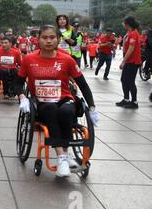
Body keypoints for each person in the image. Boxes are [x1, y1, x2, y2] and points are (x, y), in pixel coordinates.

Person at [14, 25, 99, 178]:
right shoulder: (29, 59)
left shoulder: (67, 59)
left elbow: (83, 85)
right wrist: (22, 97)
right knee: (51, 110)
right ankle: (62, 157)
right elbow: (18, 82)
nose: (48, 41)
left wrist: (92, 107)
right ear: (38, 40)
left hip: (64, 99)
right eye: (44, 37)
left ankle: (64, 157)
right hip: (42, 102)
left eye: (52, 37)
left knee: (66, 112)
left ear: (58, 39)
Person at [116, 17, 142, 109]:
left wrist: (123, 61)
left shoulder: (134, 34)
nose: (123, 24)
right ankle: (126, 99)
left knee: (130, 81)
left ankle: (134, 102)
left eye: (124, 23)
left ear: (127, 24)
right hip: (129, 61)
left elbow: (131, 49)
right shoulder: (129, 33)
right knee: (124, 80)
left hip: (133, 61)